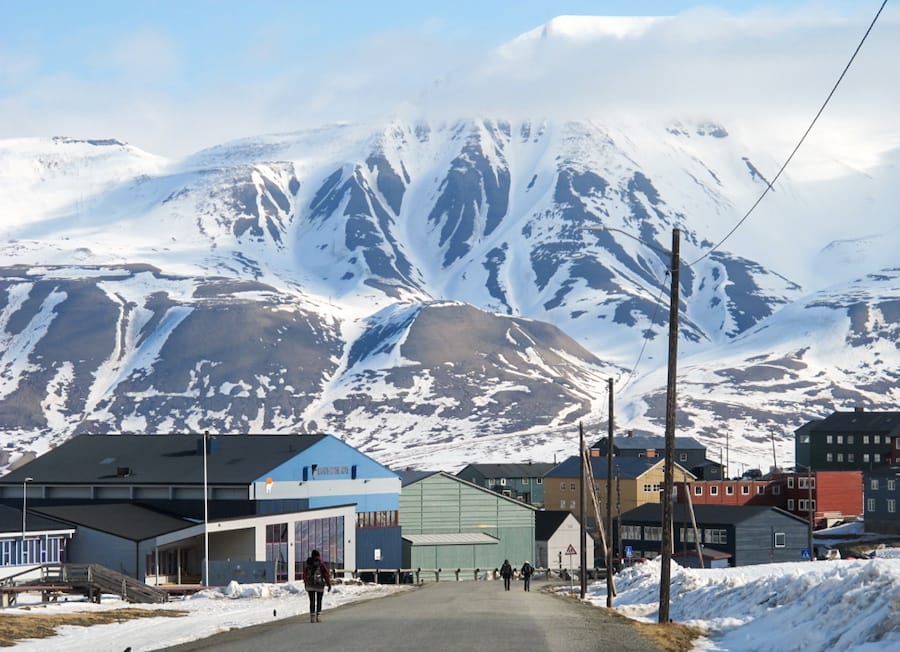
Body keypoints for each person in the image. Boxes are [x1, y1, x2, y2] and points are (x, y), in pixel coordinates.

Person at [302, 549, 332, 622]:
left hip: (310, 584)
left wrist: (306, 583)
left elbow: (305, 574)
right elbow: (326, 574)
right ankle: (318, 616)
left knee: (312, 601)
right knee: (319, 600)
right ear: (318, 555)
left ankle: (312, 617)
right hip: (319, 584)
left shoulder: (308, 563)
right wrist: (329, 584)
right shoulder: (321, 563)